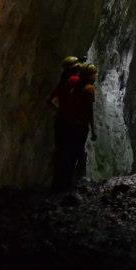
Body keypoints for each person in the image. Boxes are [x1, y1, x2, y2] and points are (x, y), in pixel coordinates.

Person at [50, 58, 97, 189]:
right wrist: (93, 129)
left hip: (65, 122)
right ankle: (70, 182)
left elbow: (50, 100)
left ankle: (59, 182)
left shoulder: (68, 82)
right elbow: (89, 111)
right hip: (78, 124)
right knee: (74, 153)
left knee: (63, 152)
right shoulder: (85, 87)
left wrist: (60, 112)